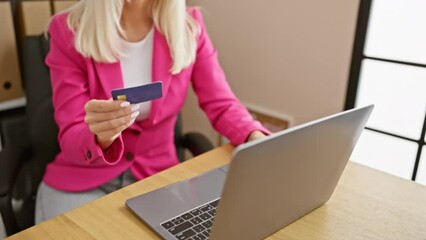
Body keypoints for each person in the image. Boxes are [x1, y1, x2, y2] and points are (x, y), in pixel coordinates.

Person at [35, 0, 268, 224]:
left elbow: (222, 104)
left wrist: (253, 136)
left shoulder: (189, 25)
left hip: (156, 178)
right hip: (83, 180)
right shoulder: (69, 30)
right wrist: (101, 136)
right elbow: (71, 132)